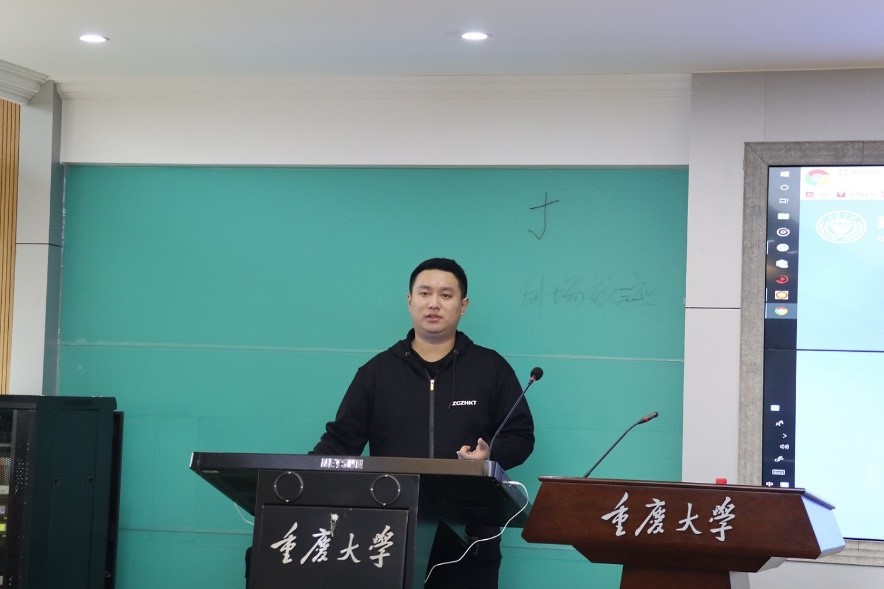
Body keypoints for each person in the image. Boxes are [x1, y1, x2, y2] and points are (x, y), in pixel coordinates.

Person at [311, 257, 535, 588]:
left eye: (446, 295)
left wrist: (489, 455)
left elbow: (521, 436)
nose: (434, 303)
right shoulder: (376, 373)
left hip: (471, 538)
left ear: (463, 306)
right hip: (388, 533)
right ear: (409, 300)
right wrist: (296, 480)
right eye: (425, 293)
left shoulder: (491, 368)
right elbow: (340, 442)